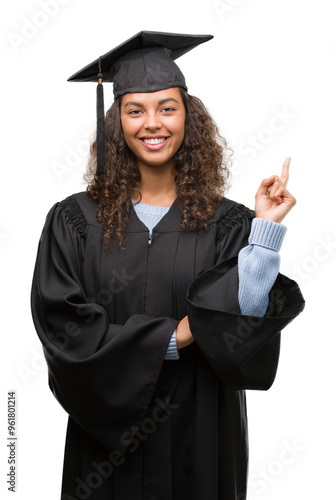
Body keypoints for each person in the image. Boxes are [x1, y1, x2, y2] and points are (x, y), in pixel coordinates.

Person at [31, 31, 305, 500]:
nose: (151, 123)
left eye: (167, 108)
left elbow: (243, 329)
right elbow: (62, 330)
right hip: (104, 451)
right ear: (116, 121)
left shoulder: (229, 223)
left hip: (201, 437)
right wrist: (171, 338)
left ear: (188, 117)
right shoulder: (74, 220)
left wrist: (264, 232)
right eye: (135, 110)